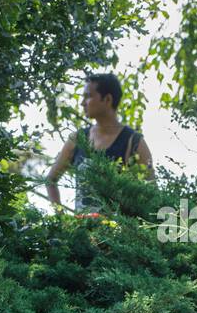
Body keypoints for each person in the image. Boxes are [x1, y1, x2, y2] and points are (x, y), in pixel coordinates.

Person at [45, 72, 154, 212]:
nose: (82, 102)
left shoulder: (134, 143)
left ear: (107, 99)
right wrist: (61, 218)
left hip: (118, 231)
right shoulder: (77, 139)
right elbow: (50, 180)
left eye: (88, 96)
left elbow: (151, 192)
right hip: (82, 230)